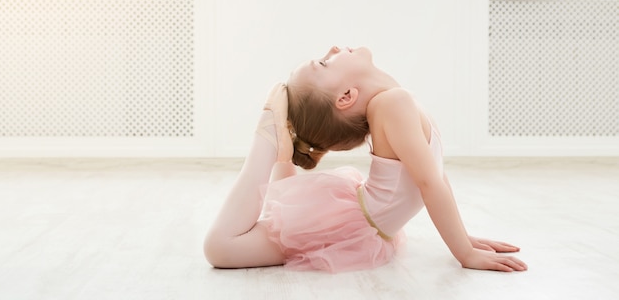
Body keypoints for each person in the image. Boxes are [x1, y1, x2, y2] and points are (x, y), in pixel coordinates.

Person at [204, 46, 527, 273]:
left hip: (358, 219)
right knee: (220, 247)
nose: (332, 48)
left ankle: (282, 151)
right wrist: (463, 252)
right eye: (324, 63)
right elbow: (429, 183)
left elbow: (435, 176)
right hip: (349, 223)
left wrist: (463, 237)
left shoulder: (395, 102)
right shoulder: (393, 104)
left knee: (282, 217)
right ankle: (270, 138)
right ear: (346, 97)